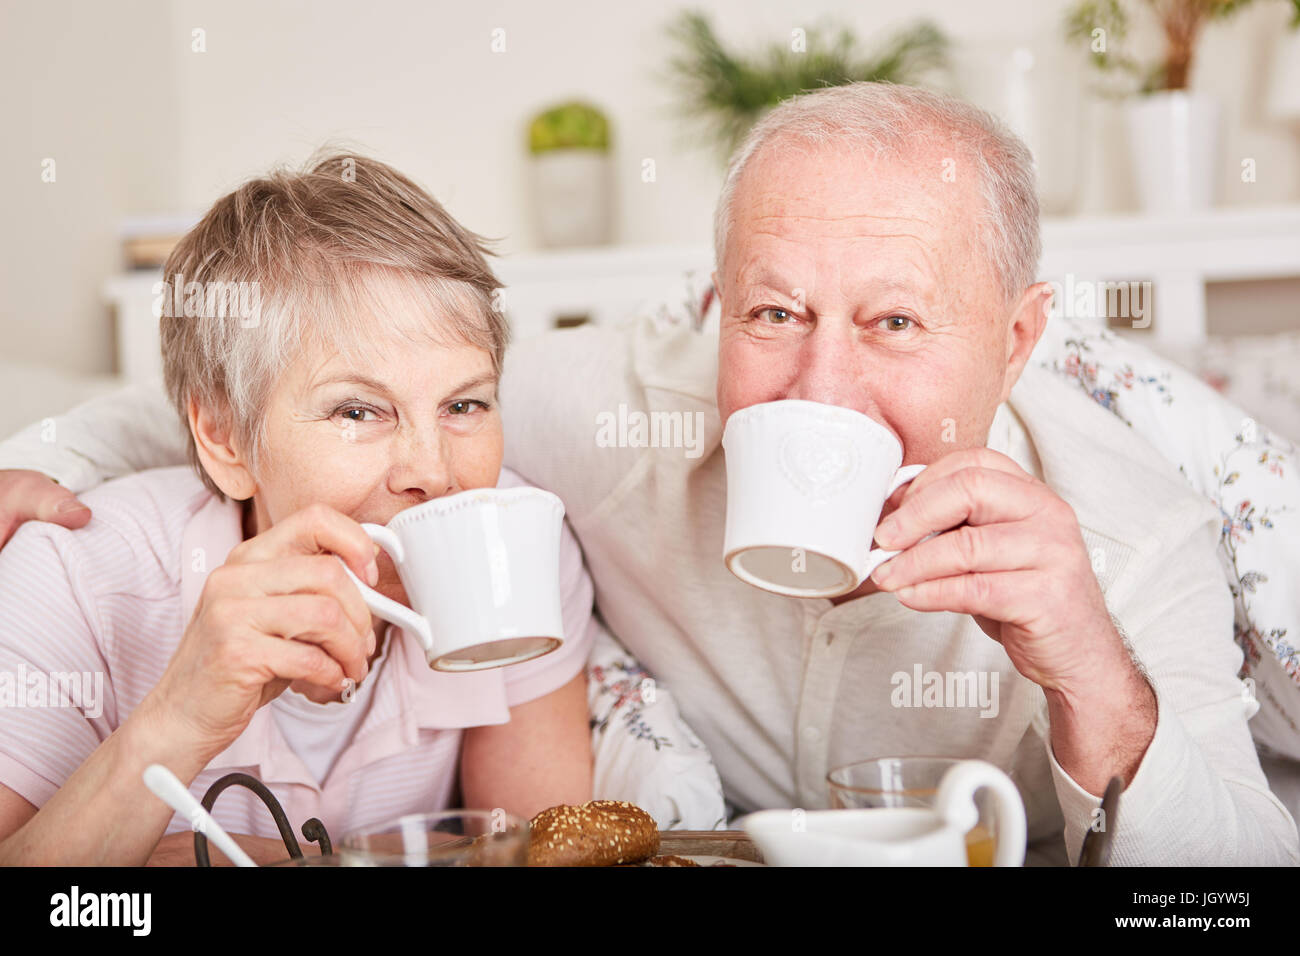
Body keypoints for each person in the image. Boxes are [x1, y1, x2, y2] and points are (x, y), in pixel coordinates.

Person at [3, 83, 1296, 865]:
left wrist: (1092, 675)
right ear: (714, 308)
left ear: (1017, 340)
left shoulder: (1128, 538)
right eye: (774, 315)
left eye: (896, 323)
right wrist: (33, 460)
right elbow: (245, 405)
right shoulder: (581, 418)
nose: (819, 389)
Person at [0, 152, 600, 864]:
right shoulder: (73, 574)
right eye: (357, 409)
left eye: (464, 404)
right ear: (223, 437)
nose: (434, 474)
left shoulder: (519, 544)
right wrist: (180, 715)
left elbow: (543, 850)